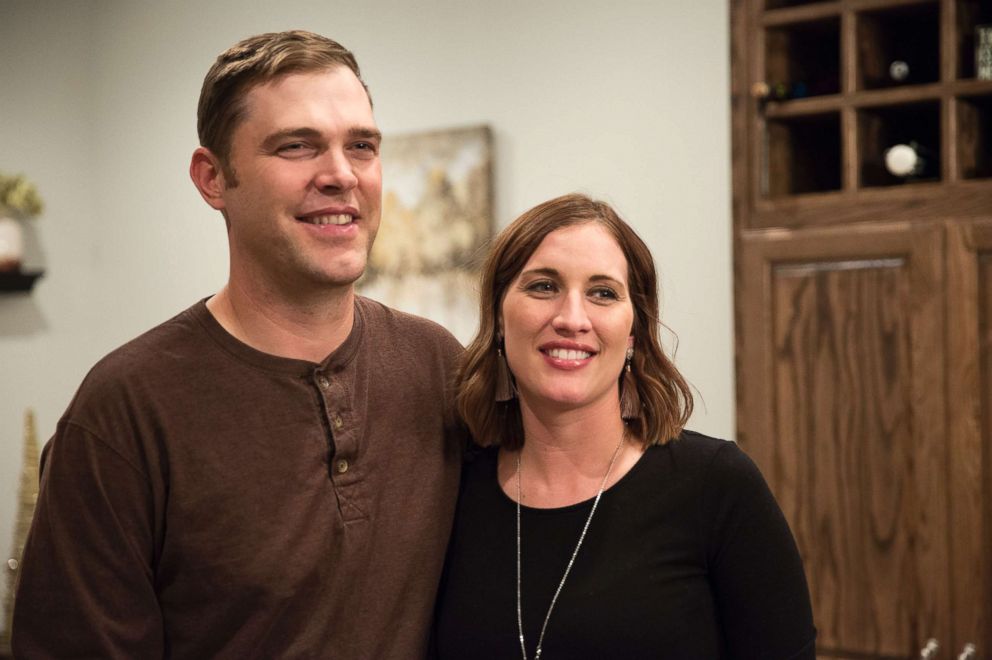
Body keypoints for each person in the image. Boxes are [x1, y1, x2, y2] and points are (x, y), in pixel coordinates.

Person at [13, 30, 464, 658]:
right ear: (212, 179)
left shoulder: (436, 365)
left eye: (361, 146)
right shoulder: (126, 409)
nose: (340, 175)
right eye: (297, 146)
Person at [433, 193, 816, 659]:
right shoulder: (452, 487)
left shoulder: (717, 487)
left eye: (603, 293)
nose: (572, 319)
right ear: (497, 318)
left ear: (633, 333)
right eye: (543, 287)